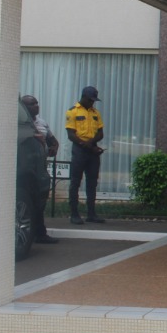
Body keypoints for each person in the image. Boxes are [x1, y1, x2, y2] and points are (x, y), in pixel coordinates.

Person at [64, 86, 105, 225]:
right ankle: (74, 214)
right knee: (75, 182)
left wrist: (92, 143)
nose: (92, 103)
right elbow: (71, 135)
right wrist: (86, 145)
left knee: (92, 182)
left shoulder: (95, 113)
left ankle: (91, 214)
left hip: (92, 149)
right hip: (79, 150)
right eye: (90, 100)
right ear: (83, 97)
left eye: (94, 100)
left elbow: (100, 133)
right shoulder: (72, 111)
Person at [22, 95, 59, 244]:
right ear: (23, 107)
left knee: (40, 201)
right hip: (26, 168)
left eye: (37, 103)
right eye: (32, 104)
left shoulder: (42, 122)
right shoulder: (21, 124)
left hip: (41, 167)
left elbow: (53, 140)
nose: (36, 106)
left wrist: (53, 147)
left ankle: (40, 233)